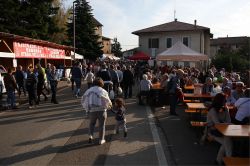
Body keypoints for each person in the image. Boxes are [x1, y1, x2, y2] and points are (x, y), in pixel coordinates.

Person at [81, 77, 112, 145]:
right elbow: (107, 100)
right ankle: (101, 140)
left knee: (92, 124)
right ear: (101, 83)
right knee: (102, 125)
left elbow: (83, 99)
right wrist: (109, 106)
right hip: (102, 110)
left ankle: (90, 135)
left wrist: (87, 108)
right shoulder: (103, 91)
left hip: (92, 110)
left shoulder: (89, 90)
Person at [206, 93, 232, 165]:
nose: (226, 101)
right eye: (224, 100)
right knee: (228, 144)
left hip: (222, 131)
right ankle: (229, 162)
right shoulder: (213, 110)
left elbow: (229, 121)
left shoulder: (225, 109)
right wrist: (225, 124)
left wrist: (224, 123)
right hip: (212, 132)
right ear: (220, 101)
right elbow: (217, 124)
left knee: (226, 143)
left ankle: (218, 161)